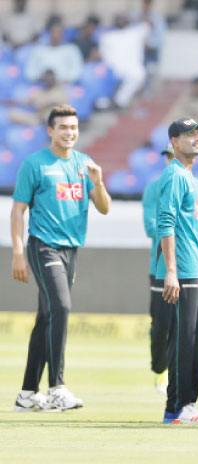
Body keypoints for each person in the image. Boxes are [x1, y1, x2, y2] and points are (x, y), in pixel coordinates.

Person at [11, 104, 111, 412]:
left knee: (47, 317)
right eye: (63, 127)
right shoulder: (35, 164)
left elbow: (104, 208)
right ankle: (57, 388)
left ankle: (27, 395)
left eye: (74, 127)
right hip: (43, 247)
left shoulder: (85, 164)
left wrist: (99, 182)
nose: (70, 133)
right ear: (50, 131)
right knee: (62, 307)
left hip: (71, 250)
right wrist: (17, 253)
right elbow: (18, 210)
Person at [143, 143, 198, 396]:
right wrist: (188, 231)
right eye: (166, 155)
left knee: (193, 333)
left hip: (196, 265)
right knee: (163, 326)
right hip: (166, 267)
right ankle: (162, 374)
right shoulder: (159, 186)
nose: (169, 159)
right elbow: (154, 226)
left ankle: (183, 399)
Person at [157, 117, 198, 425]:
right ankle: (179, 407)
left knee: (195, 339)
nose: (197, 138)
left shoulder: (190, 178)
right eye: (189, 134)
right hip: (184, 269)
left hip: (196, 266)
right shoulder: (175, 176)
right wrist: (171, 271)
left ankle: (183, 405)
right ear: (174, 142)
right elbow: (164, 222)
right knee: (184, 340)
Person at [98, 14, 149, 108]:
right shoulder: (107, 36)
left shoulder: (135, 33)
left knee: (139, 74)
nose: (121, 21)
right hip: (111, 69)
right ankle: (102, 104)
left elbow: (147, 24)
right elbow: (101, 55)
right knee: (100, 74)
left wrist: (138, 18)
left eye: (123, 19)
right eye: (119, 19)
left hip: (131, 68)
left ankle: (120, 101)